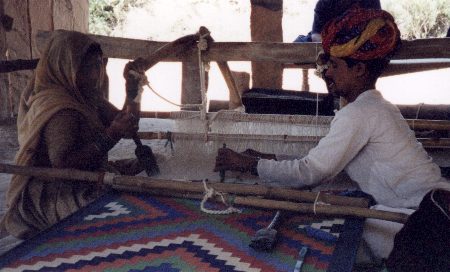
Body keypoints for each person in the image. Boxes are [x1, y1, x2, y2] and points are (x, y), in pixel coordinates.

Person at [215, 8, 450, 261]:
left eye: (334, 66)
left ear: (359, 70)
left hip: (423, 221)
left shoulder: (360, 114)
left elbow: (310, 173)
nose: (326, 73)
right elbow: (320, 158)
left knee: (318, 240)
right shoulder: (374, 107)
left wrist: (249, 165)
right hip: (428, 208)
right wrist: (264, 157)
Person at [0, 30, 197, 240]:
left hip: (92, 174)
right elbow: (64, 165)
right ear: (69, 67)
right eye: (91, 66)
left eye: (99, 64)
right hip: (57, 190)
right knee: (119, 213)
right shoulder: (59, 109)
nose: (99, 73)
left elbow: (129, 123)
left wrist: (132, 91)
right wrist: (111, 135)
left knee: (161, 162)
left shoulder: (86, 96)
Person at [294, 0, 381, 43]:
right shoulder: (324, 3)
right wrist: (332, 48)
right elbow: (316, 35)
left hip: (361, 40)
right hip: (330, 42)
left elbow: (377, 25)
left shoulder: (370, 1)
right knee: (298, 45)